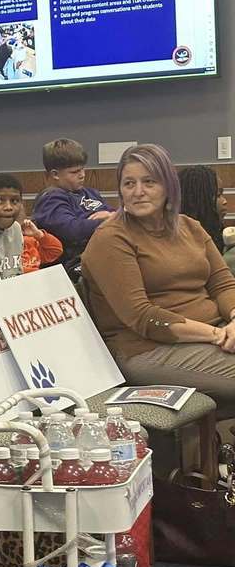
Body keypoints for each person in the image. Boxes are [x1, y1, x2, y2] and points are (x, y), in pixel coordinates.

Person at [82, 143, 235, 412]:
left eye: (149, 182)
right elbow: (143, 316)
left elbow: (222, 283)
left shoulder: (190, 227)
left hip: (213, 333)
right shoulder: (111, 238)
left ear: (168, 186)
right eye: (129, 183)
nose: (138, 192)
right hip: (148, 348)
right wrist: (218, 334)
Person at [32, 138, 113, 277]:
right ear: (55, 174)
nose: (82, 175)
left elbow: (114, 214)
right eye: (74, 172)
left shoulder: (90, 193)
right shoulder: (50, 199)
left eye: (83, 169)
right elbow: (73, 230)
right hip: (69, 267)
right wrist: (109, 221)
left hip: (99, 254)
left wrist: (112, 217)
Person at [179, 164, 226, 252]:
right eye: (218, 195)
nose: (224, 201)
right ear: (197, 200)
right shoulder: (181, 246)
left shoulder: (222, 239)